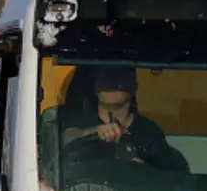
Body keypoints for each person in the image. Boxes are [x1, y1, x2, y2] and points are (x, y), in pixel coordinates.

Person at [60, 65, 188, 173]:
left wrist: (143, 169)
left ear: (134, 86)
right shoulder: (78, 122)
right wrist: (93, 132)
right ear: (94, 85)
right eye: (105, 75)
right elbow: (62, 142)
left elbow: (173, 176)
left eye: (118, 74)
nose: (111, 81)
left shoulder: (149, 132)